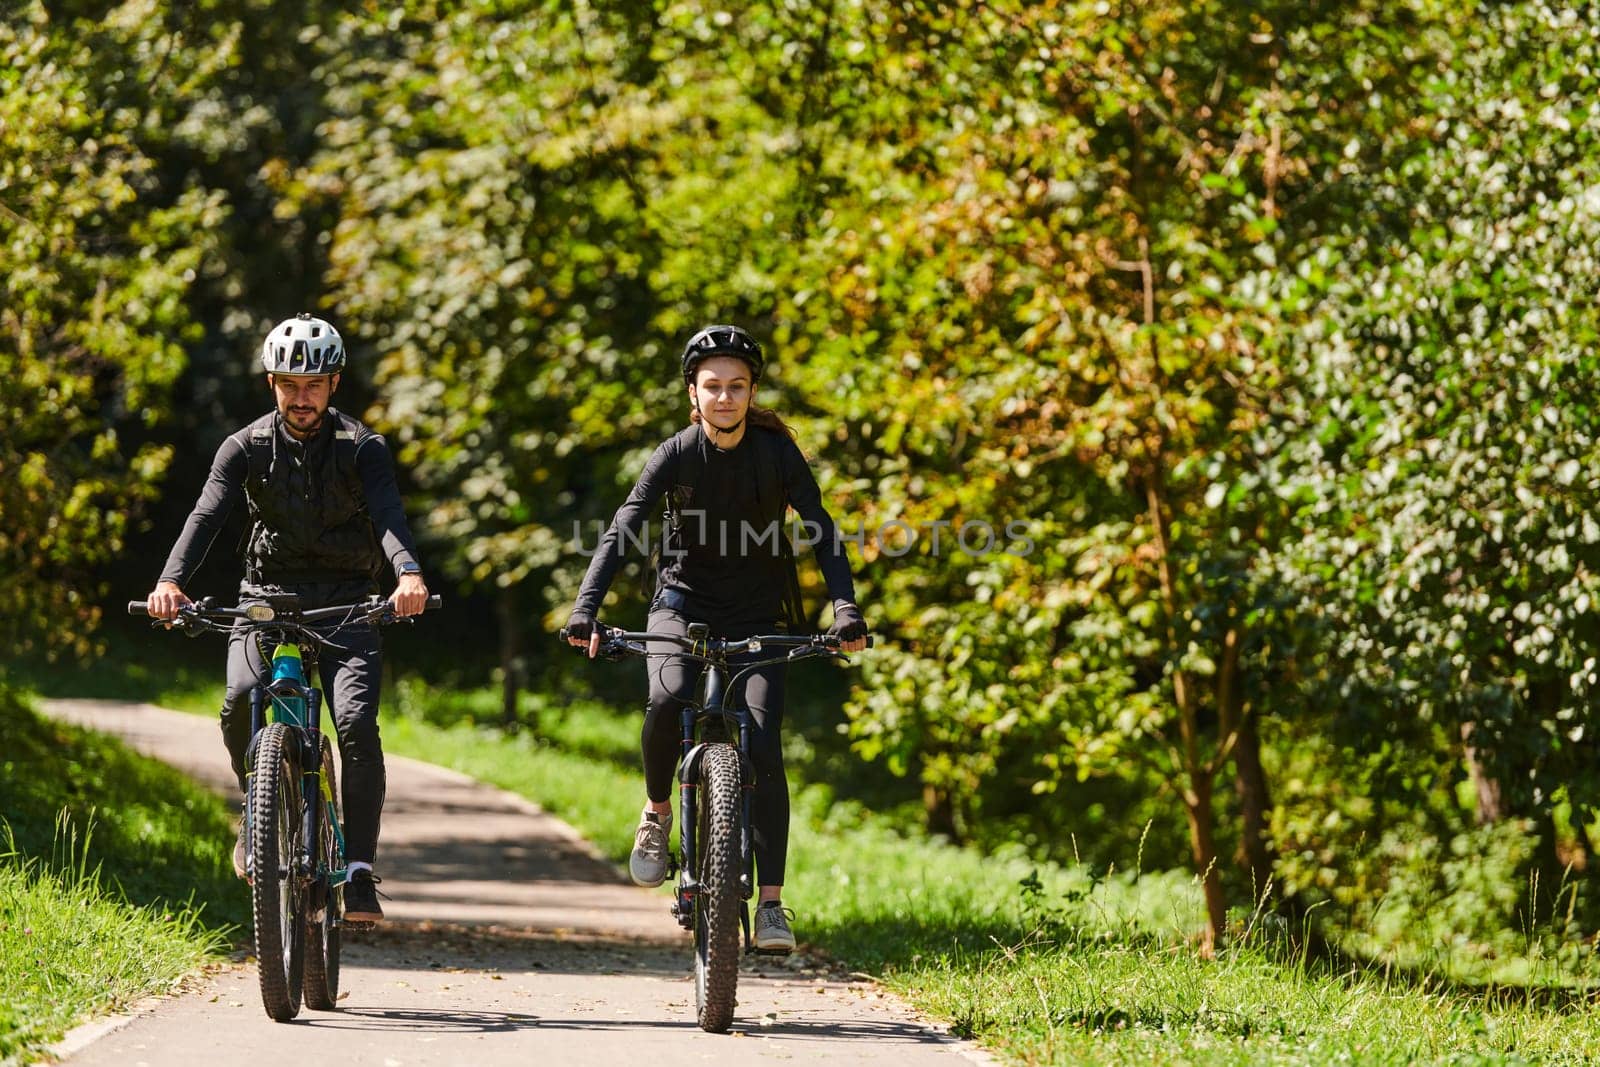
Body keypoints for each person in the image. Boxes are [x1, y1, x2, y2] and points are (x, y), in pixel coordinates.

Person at [565, 324, 869, 953]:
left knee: (762, 744)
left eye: (737, 387)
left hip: (760, 613)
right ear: (693, 395)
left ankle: (773, 906)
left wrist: (844, 608)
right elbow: (623, 528)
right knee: (667, 697)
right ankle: (655, 814)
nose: (725, 398)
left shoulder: (778, 455)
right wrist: (586, 609)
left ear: (752, 392)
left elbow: (822, 528)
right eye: (713, 387)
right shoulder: (675, 454)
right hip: (683, 603)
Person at [145, 313, 429, 923]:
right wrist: (171, 583)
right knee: (238, 700)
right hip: (266, 595)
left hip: (350, 597)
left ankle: (356, 871)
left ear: (333, 385)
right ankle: (259, 808)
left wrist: (408, 575)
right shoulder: (244, 447)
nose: (302, 398)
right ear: (271, 384)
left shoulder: (363, 449)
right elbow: (205, 518)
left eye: (314, 385)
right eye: (289, 385)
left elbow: (387, 518)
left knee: (355, 724)